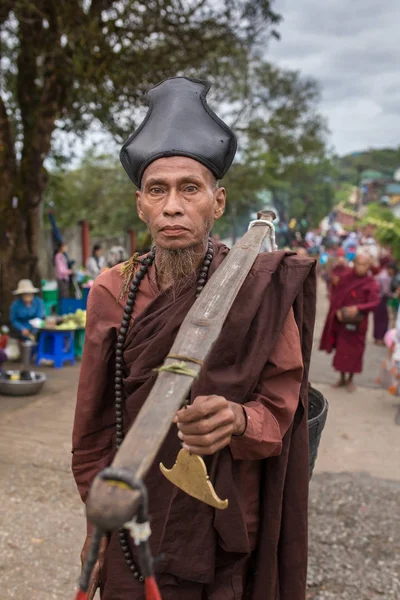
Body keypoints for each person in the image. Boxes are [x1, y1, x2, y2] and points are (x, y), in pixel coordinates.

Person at [72, 77, 316, 600]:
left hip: (223, 521)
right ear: (141, 205)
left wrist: (237, 419)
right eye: (158, 190)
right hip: (134, 521)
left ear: (218, 201)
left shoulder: (257, 287)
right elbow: (92, 433)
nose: (173, 206)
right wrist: (97, 530)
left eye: (190, 188)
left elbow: (281, 410)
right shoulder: (111, 291)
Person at [320, 250, 379, 392]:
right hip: (343, 322)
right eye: (358, 264)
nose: (360, 267)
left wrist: (358, 308)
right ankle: (341, 378)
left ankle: (351, 380)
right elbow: (336, 292)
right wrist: (338, 311)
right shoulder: (346, 277)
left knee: (355, 352)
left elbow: (375, 302)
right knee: (341, 350)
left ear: (368, 266)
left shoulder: (371, 283)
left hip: (359, 323)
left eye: (364, 265)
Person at [373, 257, 392, 345]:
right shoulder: (386, 276)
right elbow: (386, 291)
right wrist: (394, 295)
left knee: (377, 319)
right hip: (381, 299)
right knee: (383, 319)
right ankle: (380, 338)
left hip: (376, 299)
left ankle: (377, 337)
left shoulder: (381, 273)